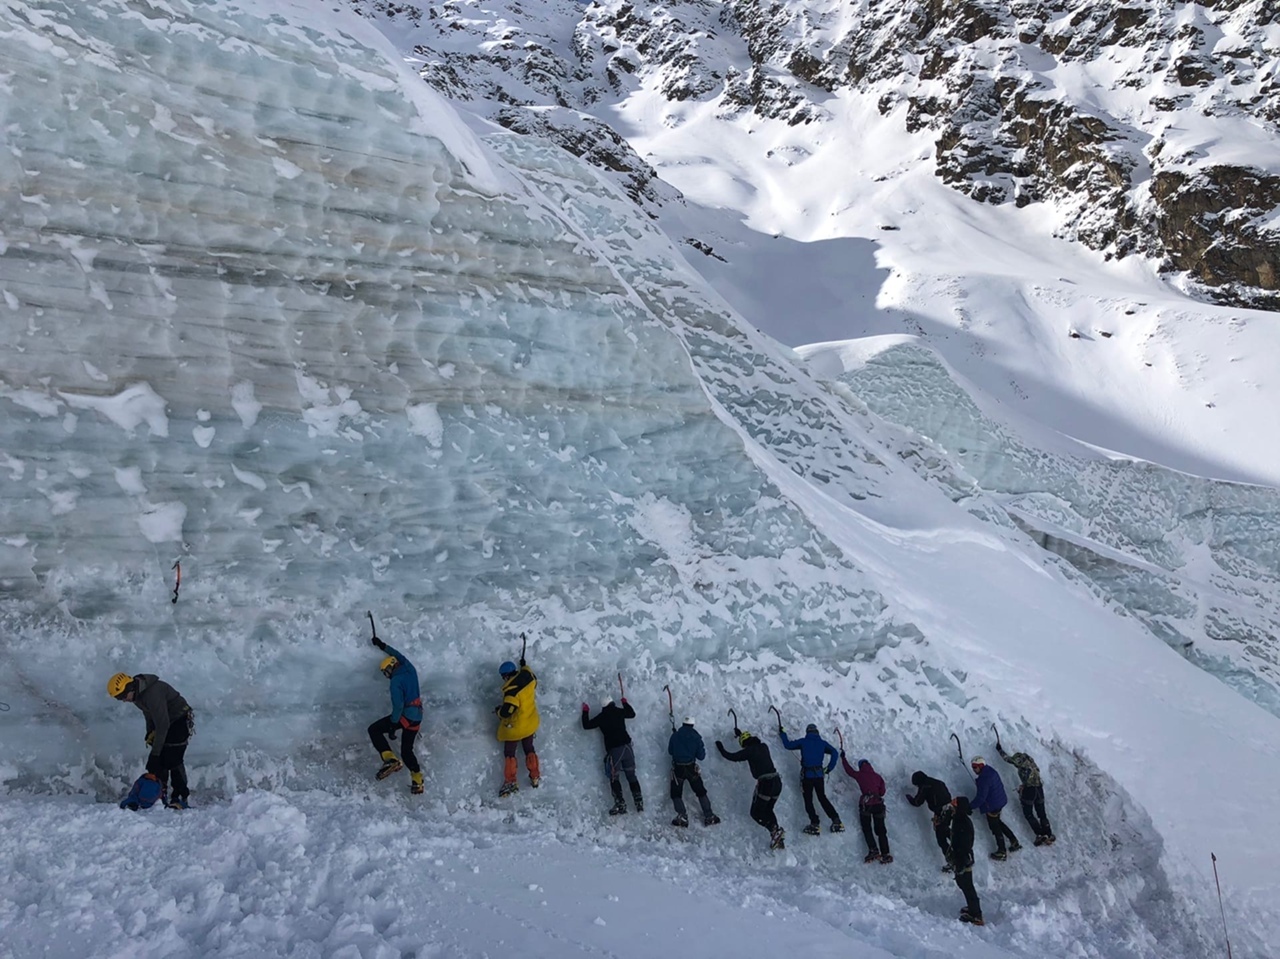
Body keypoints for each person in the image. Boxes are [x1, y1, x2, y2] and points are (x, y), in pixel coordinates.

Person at [107, 672, 194, 810]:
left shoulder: (152, 694)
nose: (123, 700)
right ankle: (161, 793)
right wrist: (150, 732)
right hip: (165, 721)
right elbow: (148, 713)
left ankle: (181, 796)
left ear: (129, 687)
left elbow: (163, 724)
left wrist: (155, 753)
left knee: (173, 758)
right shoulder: (137, 695)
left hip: (179, 719)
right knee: (160, 761)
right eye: (119, 698)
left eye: (122, 696)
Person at [368, 632, 424, 795]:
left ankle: (390, 759)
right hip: (417, 716)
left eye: (386, 672)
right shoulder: (409, 668)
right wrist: (382, 645)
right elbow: (398, 654)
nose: (387, 675)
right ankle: (417, 780)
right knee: (407, 750)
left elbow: (398, 706)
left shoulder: (395, 682)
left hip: (405, 716)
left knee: (374, 730)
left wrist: (393, 724)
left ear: (391, 667)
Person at [716, 729, 785, 849]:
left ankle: (774, 831)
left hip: (766, 784)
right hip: (777, 782)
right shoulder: (763, 746)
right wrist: (741, 735)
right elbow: (750, 744)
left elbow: (732, 756)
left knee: (755, 813)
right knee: (768, 809)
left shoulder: (749, 751)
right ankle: (777, 837)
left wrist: (721, 748)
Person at [582, 697, 643, 815]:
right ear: (612, 703)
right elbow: (632, 714)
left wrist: (585, 711)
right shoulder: (619, 711)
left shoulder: (601, 717)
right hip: (627, 748)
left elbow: (587, 725)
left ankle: (620, 803)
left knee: (614, 777)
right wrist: (625, 703)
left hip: (615, 751)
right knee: (631, 775)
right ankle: (639, 801)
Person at [779, 722, 843, 835]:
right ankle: (836, 820)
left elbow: (787, 745)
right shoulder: (822, 743)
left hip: (807, 776)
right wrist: (829, 768)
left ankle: (815, 823)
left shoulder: (804, 742)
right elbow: (834, 752)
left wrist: (782, 733)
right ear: (817, 732)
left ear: (807, 732)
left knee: (808, 799)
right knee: (822, 798)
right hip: (819, 775)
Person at [495, 657, 540, 796]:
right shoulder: (529, 678)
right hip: (530, 722)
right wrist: (524, 665)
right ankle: (535, 776)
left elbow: (507, 711)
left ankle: (510, 782)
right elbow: (528, 671)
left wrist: (498, 711)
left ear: (506, 676)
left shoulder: (512, 692)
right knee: (529, 749)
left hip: (516, 728)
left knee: (509, 753)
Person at [997, 743, 1055, 845]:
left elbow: (1008, 759)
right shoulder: (1032, 763)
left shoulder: (1021, 763)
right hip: (1039, 789)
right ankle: (1048, 834)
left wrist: (1000, 750)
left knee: (1029, 814)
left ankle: (1040, 834)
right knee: (1042, 814)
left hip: (1030, 791)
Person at [668, 717, 719, 827]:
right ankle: (709, 816)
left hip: (678, 769)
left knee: (676, 793)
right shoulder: (696, 737)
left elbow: (670, 751)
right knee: (701, 791)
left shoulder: (675, 736)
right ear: (692, 725)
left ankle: (682, 816)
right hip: (691, 768)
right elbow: (701, 756)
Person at [841, 753, 891, 862]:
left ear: (860, 766)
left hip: (866, 805)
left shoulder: (860, 775)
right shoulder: (878, 776)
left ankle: (873, 850)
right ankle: (885, 853)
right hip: (878, 804)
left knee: (867, 828)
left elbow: (849, 771)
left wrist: (843, 758)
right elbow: (882, 792)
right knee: (881, 830)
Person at [971, 756, 1022, 860]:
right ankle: (1014, 841)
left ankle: (1002, 851)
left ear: (980, 766)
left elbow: (981, 798)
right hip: (1000, 801)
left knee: (995, 827)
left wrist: (969, 806)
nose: (973, 769)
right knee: (998, 822)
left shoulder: (984, 779)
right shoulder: (989, 771)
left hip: (993, 805)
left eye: (975, 767)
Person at [905, 770, 954, 870]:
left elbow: (918, 802)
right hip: (950, 809)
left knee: (941, 840)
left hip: (941, 813)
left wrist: (910, 798)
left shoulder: (925, 786)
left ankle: (953, 862)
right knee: (946, 831)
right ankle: (960, 848)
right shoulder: (938, 782)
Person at [950, 796, 984, 925]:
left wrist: (960, 860)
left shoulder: (961, 822)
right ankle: (973, 908)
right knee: (962, 883)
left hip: (963, 857)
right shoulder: (960, 819)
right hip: (962, 856)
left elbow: (963, 843)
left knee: (967, 885)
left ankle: (976, 914)